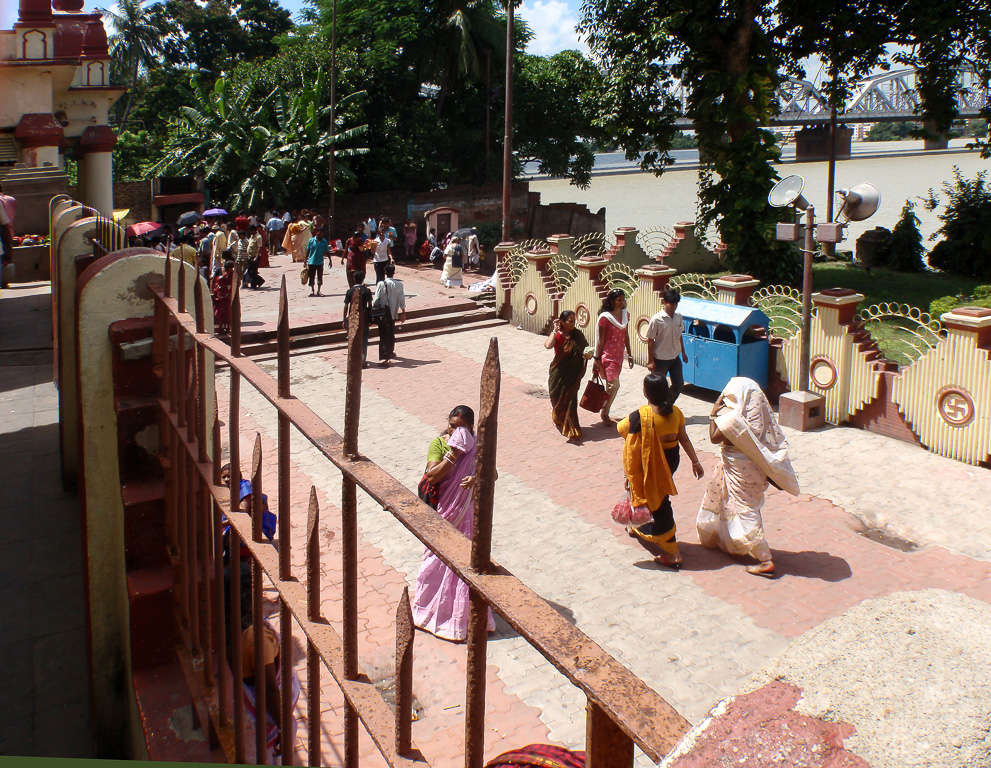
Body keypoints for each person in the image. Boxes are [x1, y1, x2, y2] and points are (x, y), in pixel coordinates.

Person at [696, 377, 799, 578]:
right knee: (743, 506)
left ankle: (764, 559)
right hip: (752, 469)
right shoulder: (759, 418)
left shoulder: (733, 421)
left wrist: (713, 414)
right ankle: (729, 539)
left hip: (737, 468)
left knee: (744, 510)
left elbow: (714, 438)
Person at [412, 406, 495, 642]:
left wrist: (477, 477)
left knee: (464, 562)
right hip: (444, 512)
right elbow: (432, 476)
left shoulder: (478, 446)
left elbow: (493, 474)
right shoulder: (439, 444)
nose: (455, 430)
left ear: (470, 429)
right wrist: (454, 454)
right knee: (434, 561)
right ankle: (425, 613)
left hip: (467, 513)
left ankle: (461, 621)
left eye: (461, 427)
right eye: (452, 425)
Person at [620, 374, 705, 569]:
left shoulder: (640, 416)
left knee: (656, 501)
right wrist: (695, 461)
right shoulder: (676, 412)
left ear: (645, 393)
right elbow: (683, 438)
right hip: (671, 462)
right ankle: (635, 527)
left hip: (648, 464)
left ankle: (673, 552)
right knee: (656, 493)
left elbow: (621, 429)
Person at [544, 310, 592, 443]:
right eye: (570, 321)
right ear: (562, 322)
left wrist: (587, 354)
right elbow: (548, 345)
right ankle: (558, 417)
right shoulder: (558, 335)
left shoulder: (577, 335)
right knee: (556, 398)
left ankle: (572, 428)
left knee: (570, 400)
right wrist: (554, 330)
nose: (573, 324)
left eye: (574, 321)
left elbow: (584, 349)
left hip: (572, 374)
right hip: (558, 374)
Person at [592, 289, 634, 424]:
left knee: (612, 386)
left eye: (623, 300)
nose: (621, 302)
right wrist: (596, 358)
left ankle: (604, 407)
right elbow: (600, 339)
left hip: (619, 356)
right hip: (607, 356)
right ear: (612, 301)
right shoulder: (605, 318)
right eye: (618, 300)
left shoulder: (625, 315)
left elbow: (626, 335)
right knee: (613, 385)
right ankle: (605, 411)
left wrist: (630, 354)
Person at [645, 288, 688, 403]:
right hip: (660, 360)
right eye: (671, 303)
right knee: (656, 388)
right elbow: (650, 340)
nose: (674, 306)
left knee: (679, 384)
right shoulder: (656, 320)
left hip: (675, 358)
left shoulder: (678, 317)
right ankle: (652, 411)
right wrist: (651, 361)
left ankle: (666, 405)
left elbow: (679, 335)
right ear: (664, 302)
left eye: (676, 303)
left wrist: (683, 353)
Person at [372, 262, 406, 364]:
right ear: (394, 272)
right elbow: (402, 300)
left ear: (385, 272)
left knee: (383, 334)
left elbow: (376, 299)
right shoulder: (399, 284)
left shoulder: (381, 284)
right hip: (393, 312)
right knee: (391, 332)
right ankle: (390, 351)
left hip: (383, 313)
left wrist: (374, 309)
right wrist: (403, 312)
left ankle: (385, 356)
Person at [343, 271, 373, 366]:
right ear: (363, 279)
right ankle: (362, 361)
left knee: (352, 338)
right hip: (364, 318)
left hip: (353, 318)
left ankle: (353, 360)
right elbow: (370, 306)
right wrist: (369, 318)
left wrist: (344, 319)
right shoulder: (367, 291)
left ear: (354, 279)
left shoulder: (350, 291)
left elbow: (346, 306)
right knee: (364, 340)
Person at [306, 228, 329, 296]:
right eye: (320, 232)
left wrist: (330, 260)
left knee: (320, 277)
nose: (321, 234)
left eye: (322, 233)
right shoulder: (311, 241)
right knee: (311, 277)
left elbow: (327, 251)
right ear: (316, 232)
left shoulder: (324, 242)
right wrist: (305, 260)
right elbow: (308, 251)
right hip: (311, 262)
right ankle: (312, 290)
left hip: (320, 262)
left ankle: (319, 291)